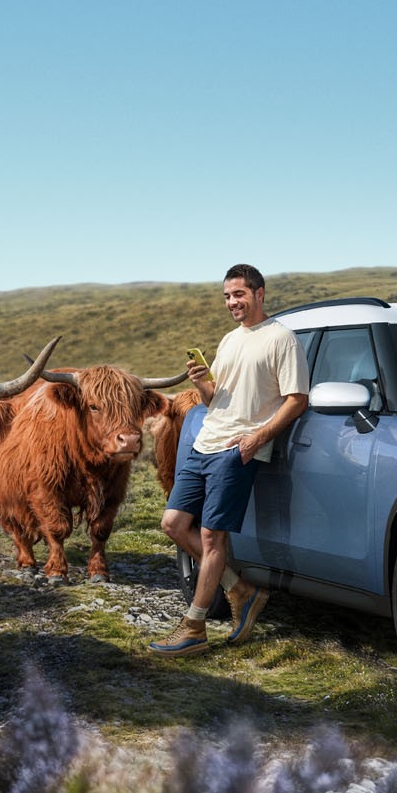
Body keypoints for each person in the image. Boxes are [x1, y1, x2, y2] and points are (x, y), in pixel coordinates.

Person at [150, 264, 308, 656]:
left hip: (238, 448)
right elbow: (214, 398)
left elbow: (297, 399)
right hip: (206, 442)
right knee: (173, 523)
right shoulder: (229, 341)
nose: (232, 302)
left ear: (259, 293)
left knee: (211, 536)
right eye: (226, 296)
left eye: (238, 294)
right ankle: (241, 589)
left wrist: (259, 437)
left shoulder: (281, 339)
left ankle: (194, 626)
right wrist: (201, 382)